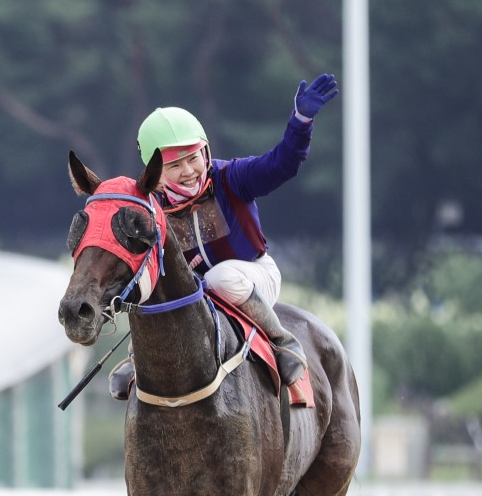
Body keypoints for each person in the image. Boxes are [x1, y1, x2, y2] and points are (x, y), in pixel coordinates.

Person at [108, 73, 339, 399]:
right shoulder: (150, 208)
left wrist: (301, 121)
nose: (189, 172)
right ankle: (137, 359)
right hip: (194, 298)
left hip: (253, 276)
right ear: (154, 173)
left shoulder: (232, 177)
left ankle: (282, 340)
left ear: (206, 152)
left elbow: (282, 164)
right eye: (175, 166)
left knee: (220, 276)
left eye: (193, 158)